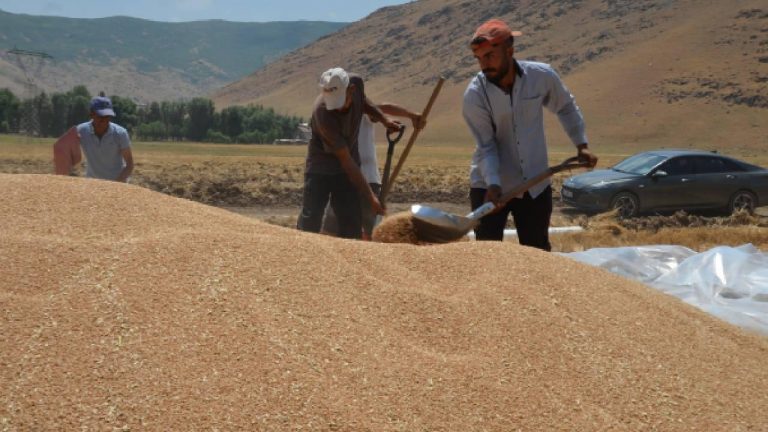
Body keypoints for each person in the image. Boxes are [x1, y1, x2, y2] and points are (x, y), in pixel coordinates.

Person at [462, 19, 598, 251]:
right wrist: (494, 184)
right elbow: (486, 145)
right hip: (489, 188)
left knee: (537, 253)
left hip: (535, 184)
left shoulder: (541, 76)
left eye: (490, 56)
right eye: (480, 59)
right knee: (487, 257)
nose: (484, 65)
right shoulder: (475, 95)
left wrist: (581, 143)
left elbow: (565, 106)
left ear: (510, 51)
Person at [297, 67, 402, 239]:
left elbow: (365, 103)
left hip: (346, 168)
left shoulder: (356, 84)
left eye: (339, 102)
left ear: (351, 90)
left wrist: (384, 119)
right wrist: (371, 197)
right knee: (311, 220)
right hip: (321, 168)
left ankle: (350, 261)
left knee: (351, 223)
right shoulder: (323, 114)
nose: (336, 109)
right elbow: (346, 161)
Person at [322, 103, 425, 239]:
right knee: (330, 233)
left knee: (371, 233)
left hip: (367, 182)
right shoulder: (331, 117)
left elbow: (382, 108)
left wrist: (410, 115)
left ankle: (370, 257)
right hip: (343, 183)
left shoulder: (361, 111)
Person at [53, 95, 134, 182]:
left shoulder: (120, 134)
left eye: (107, 117)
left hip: (118, 184)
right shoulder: (81, 131)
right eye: (100, 116)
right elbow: (62, 147)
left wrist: (116, 184)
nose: (103, 120)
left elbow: (129, 165)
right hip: (93, 184)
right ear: (91, 114)